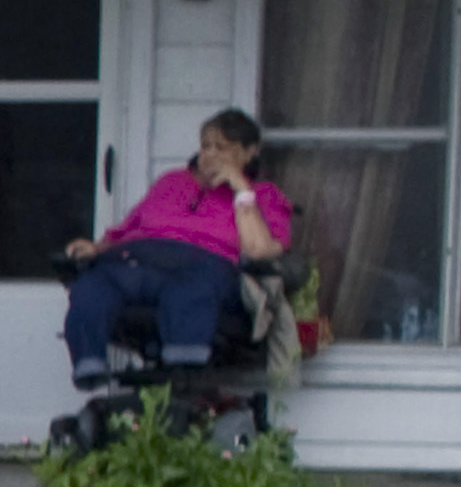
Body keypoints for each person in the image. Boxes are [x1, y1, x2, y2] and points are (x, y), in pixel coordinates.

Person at [59, 114, 296, 418]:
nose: (209, 154)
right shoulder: (171, 183)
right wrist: (96, 248)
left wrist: (240, 189)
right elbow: (125, 231)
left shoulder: (264, 195)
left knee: (191, 289)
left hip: (203, 266)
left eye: (222, 148)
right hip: (138, 260)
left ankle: (184, 369)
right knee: (93, 284)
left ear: (250, 152)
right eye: (205, 146)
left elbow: (259, 250)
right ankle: (89, 364)